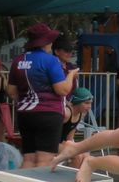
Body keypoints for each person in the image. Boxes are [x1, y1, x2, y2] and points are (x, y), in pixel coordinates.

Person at [7, 23, 79, 168]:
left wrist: (26, 100)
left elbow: (11, 91)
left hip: (24, 114)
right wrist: (71, 75)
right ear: (46, 42)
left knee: (28, 158)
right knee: (44, 159)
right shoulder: (50, 60)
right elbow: (62, 90)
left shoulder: (18, 60)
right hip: (48, 114)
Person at [59, 87, 94, 170]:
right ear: (77, 102)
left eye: (90, 103)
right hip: (52, 143)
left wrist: (72, 145)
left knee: (86, 156)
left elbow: (70, 137)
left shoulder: (81, 114)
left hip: (63, 143)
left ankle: (76, 177)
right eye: (86, 103)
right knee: (77, 156)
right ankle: (71, 177)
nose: (89, 106)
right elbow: (51, 133)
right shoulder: (66, 114)